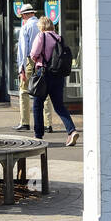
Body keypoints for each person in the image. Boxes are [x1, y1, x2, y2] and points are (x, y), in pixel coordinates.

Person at [29, 16, 79, 145]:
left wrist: (38, 59)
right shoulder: (59, 38)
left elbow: (34, 54)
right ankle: (71, 131)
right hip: (58, 75)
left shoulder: (41, 36)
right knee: (59, 106)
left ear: (41, 26)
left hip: (44, 74)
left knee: (37, 105)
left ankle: (38, 135)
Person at [15, 3, 53, 132]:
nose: (22, 18)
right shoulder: (43, 25)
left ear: (25, 15)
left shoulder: (26, 27)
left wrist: (22, 68)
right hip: (44, 61)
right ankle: (48, 124)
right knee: (45, 92)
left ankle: (25, 122)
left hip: (30, 61)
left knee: (24, 91)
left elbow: (23, 49)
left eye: (22, 16)